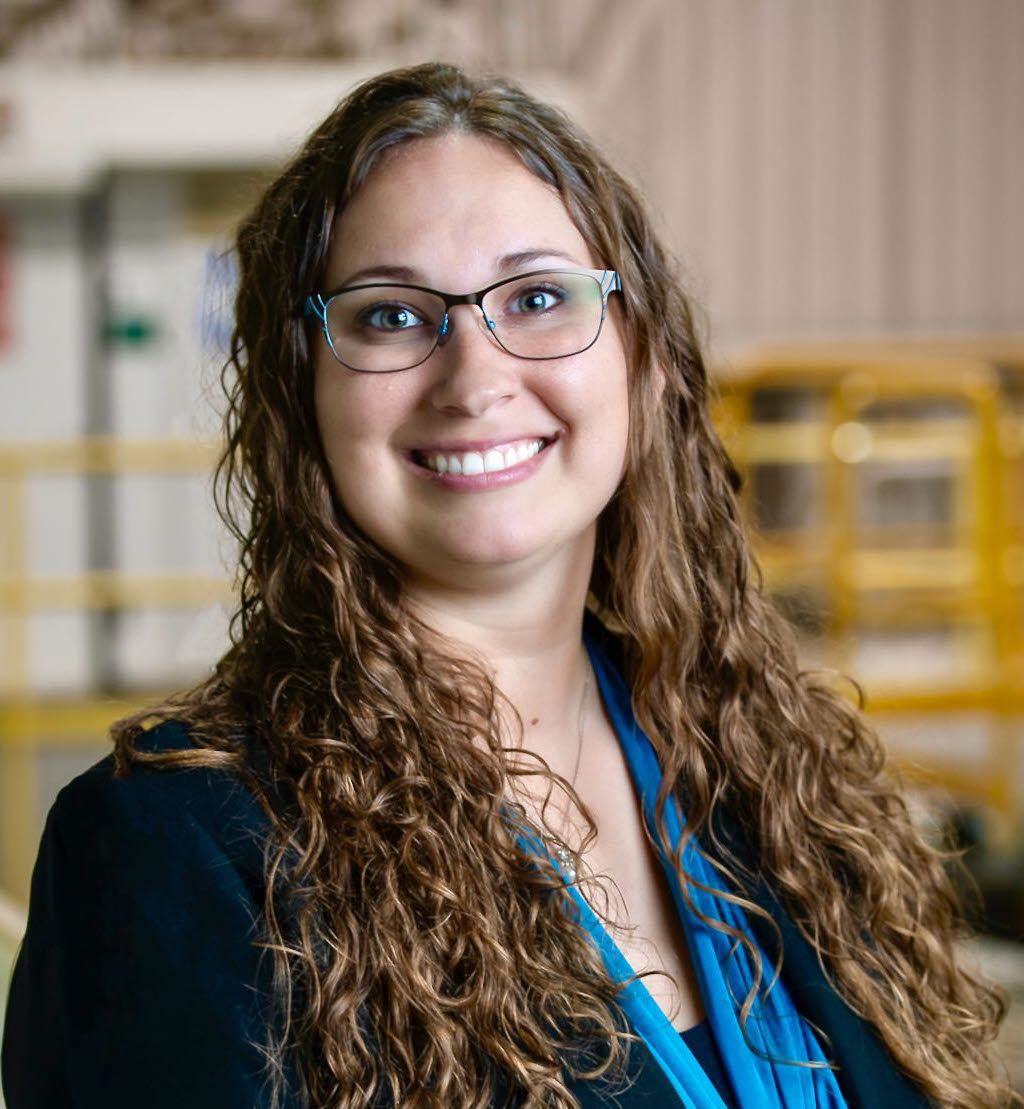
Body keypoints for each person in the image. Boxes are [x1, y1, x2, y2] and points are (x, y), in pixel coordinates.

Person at [1, 62, 1016, 1109]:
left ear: (644, 359)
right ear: (300, 391)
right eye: (390, 315)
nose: (476, 378)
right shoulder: (177, 850)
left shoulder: (774, 775)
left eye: (536, 297)